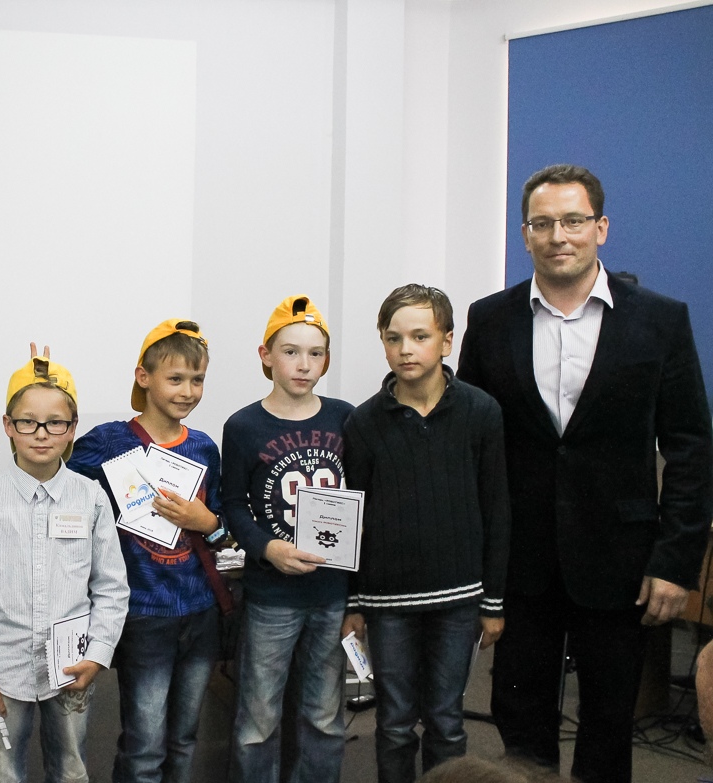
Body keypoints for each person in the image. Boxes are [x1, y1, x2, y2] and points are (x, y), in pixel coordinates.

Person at [457, 163, 713, 783]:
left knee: (608, 725)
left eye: (573, 221)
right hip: (522, 562)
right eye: (542, 223)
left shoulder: (660, 320)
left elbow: (690, 446)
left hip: (623, 562)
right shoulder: (489, 320)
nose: (558, 236)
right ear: (525, 235)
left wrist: (675, 561)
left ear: (601, 228)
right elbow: (473, 445)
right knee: (520, 721)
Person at [341, 284, 511, 783]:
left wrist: (493, 602)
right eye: (393, 338)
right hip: (387, 602)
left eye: (420, 336)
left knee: (446, 721)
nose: (406, 349)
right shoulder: (363, 423)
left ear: (447, 341)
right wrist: (354, 600)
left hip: (459, 599)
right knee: (394, 723)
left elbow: (496, 508)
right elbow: (353, 518)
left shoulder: (481, 412)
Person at [0, 347, 130, 783]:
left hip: (71, 667)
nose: (41, 434)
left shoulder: (90, 498)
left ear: (72, 429)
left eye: (56, 423)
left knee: (71, 770)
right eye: (28, 422)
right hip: (2, 670)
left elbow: (111, 587)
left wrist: (97, 656)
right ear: (7, 426)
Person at [69, 319, 230, 783]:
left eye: (197, 380)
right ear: (144, 377)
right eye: (175, 378)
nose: (188, 391)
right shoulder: (106, 442)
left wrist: (208, 522)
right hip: (142, 612)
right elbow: (64, 493)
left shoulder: (204, 448)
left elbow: (221, 534)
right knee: (144, 744)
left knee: (184, 739)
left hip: (199, 610)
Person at [221, 295, 353, 783]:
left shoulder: (345, 418)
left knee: (324, 717)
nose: (303, 364)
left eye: (315, 353)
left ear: (327, 361)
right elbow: (233, 503)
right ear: (266, 355)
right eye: (291, 352)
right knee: (259, 719)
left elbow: (361, 495)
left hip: (331, 592)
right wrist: (267, 548)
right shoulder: (243, 426)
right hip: (272, 595)